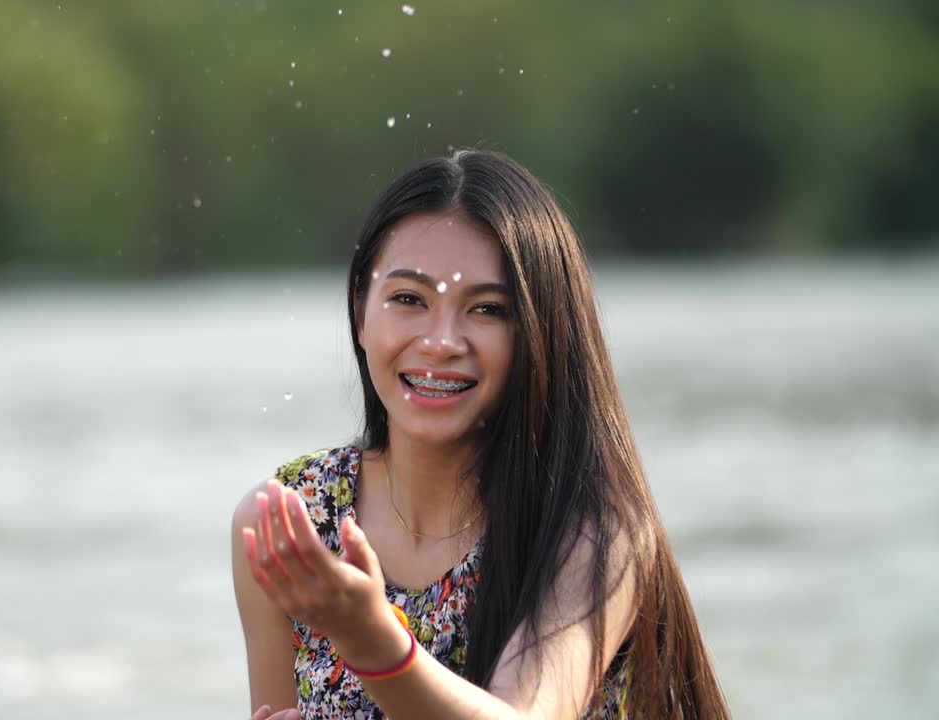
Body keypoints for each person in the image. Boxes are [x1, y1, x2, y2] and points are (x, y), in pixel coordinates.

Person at [231, 149, 730, 720]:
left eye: (488, 309)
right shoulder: (289, 523)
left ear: (542, 333)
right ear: (360, 312)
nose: (441, 342)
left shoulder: (591, 533)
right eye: (409, 300)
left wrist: (373, 641)